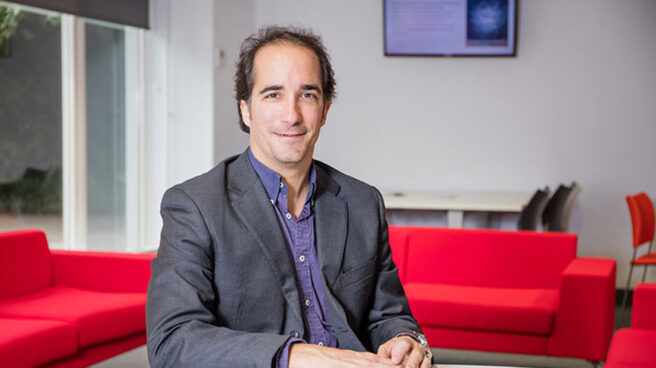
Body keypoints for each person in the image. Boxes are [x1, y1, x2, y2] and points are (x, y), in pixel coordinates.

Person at [146, 26, 432, 368]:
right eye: (273, 94)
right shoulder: (194, 206)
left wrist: (405, 340)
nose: (292, 115)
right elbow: (174, 341)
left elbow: (388, 315)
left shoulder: (362, 202)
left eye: (307, 94)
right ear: (245, 110)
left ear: (325, 110)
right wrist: (297, 356)